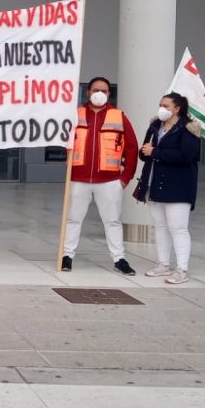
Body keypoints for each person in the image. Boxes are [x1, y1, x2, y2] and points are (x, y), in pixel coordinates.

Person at [61, 76, 139, 275]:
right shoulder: (74, 115)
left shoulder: (119, 116)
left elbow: (131, 148)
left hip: (110, 181)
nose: (99, 94)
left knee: (112, 221)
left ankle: (119, 259)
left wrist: (125, 178)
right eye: (96, 90)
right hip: (79, 179)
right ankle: (67, 256)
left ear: (109, 94)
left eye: (104, 91)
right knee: (73, 219)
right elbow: (63, 141)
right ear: (87, 93)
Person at [135, 92, 202, 284]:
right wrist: (146, 151)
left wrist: (156, 152)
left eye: (166, 105)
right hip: (154, 183)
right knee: (160, 227)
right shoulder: (155, 125)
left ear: (177, 108)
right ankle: (163, 264)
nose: (162, 108)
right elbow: (145, 152)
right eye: (160, 104)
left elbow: (187, 156)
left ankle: (182, 269)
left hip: (178, 185)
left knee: (178, 228)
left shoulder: (188, 128)